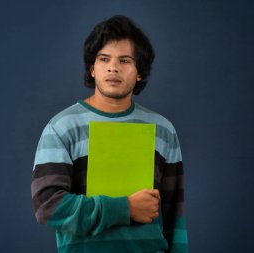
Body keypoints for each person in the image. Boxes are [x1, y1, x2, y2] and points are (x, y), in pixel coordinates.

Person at [31, 15, 188, 253]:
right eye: (104, 59)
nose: (113, 67)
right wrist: (125, 208)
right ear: (92, 68)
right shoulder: (62, 127)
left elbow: (173, 218)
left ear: (139, 73)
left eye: (125, 60)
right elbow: (48, 206)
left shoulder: (163, 130)